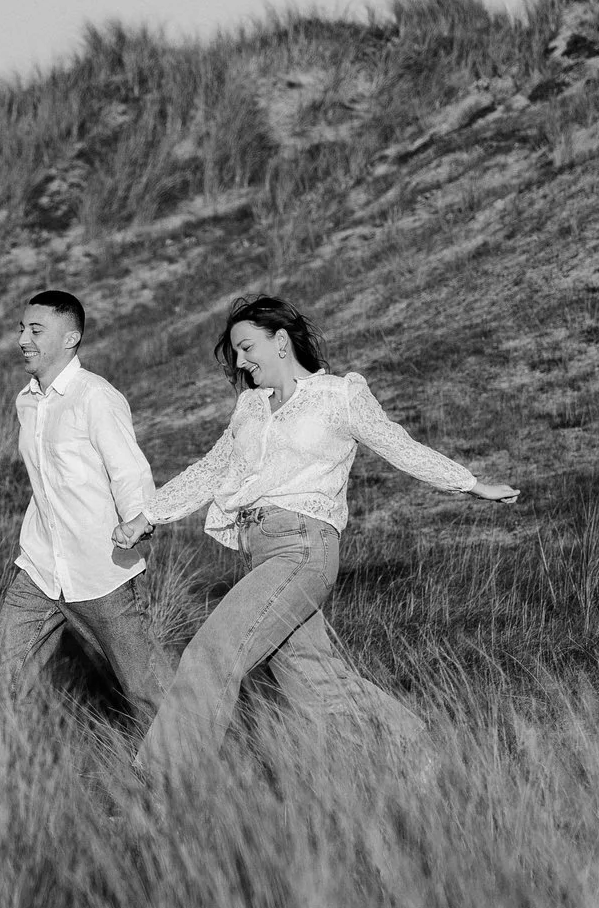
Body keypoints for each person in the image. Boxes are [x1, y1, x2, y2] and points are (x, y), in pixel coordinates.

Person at [112, 296, 517, 771]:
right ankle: (416, 752)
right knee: (314, 680)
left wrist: (471, 484)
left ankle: (157, 786)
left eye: (246, 348)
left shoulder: (337, 396)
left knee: (211, 653)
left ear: (281, 342)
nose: (240, 362)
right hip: (261, 553)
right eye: (236, 354)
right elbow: (211, 469)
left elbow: (398, 446)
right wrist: (149, 515)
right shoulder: (251, 407)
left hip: (304, 549)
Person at [0, 289, 175, 724]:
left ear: (71, 338)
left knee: (148, 691)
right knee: (2, 677)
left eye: (36, 330)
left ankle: (192, 768)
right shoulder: (27, 401)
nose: (23, 340)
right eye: (22, 329)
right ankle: (5, 773)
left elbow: (129, 469)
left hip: (100, 570)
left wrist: (138, 518)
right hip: (39, 568)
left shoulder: (96, 396)